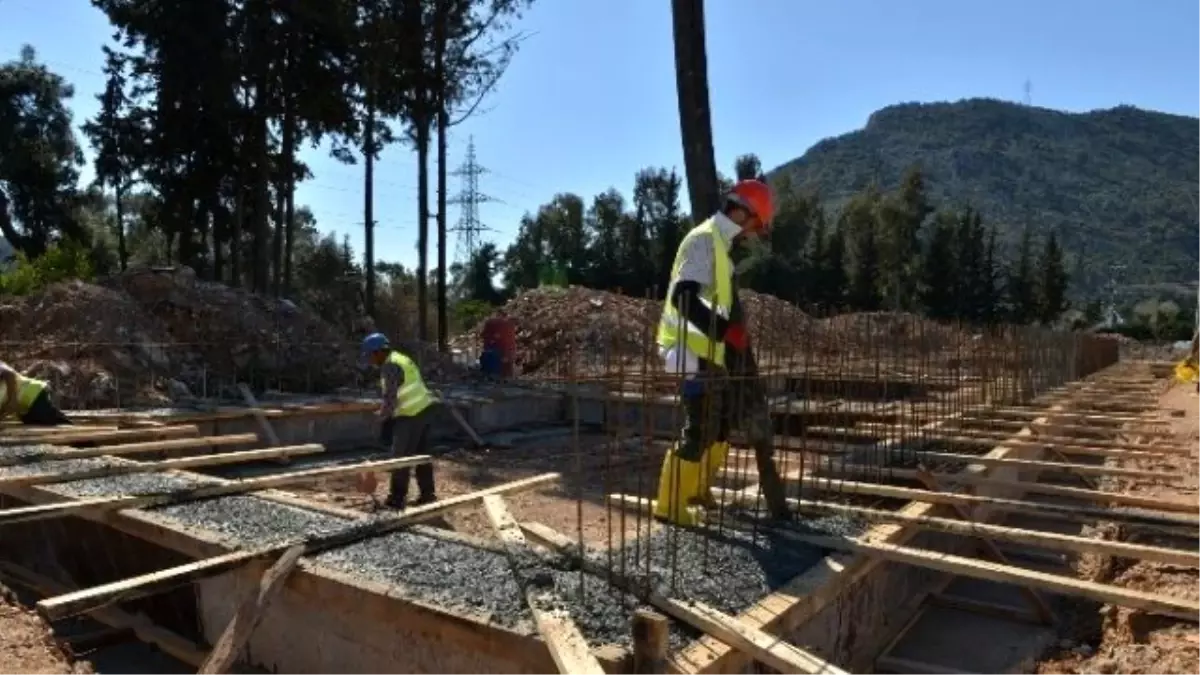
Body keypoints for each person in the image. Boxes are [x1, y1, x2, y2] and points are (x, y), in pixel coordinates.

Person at [653, 179, 791, 525]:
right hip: (688, 350)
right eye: (754, 224)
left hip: (710, 352)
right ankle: (669, 505)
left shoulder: (720, 247)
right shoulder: (703, 240)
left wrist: (728, 338)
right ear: (741, 211)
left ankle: (698, 489)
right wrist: (725, 329)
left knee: (720, 425)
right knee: (699, 426)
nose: (751, 233)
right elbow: (683, 297)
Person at [360, 333, 438, 509]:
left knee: (400, 458)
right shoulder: (400, 358)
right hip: (424, 410)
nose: (371, 360)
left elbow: (390, 399)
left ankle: (396, 499)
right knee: (421, 456)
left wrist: (380, 418)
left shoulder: (390, 365)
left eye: (371, 355)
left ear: (379, 352)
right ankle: (428, 494)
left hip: (410, 415)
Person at [0, 362, 71, 426]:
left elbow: (9, 374)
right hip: (24, 409)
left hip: (33, 394)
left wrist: (13, 399)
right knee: (36, 427)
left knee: (53, 422)